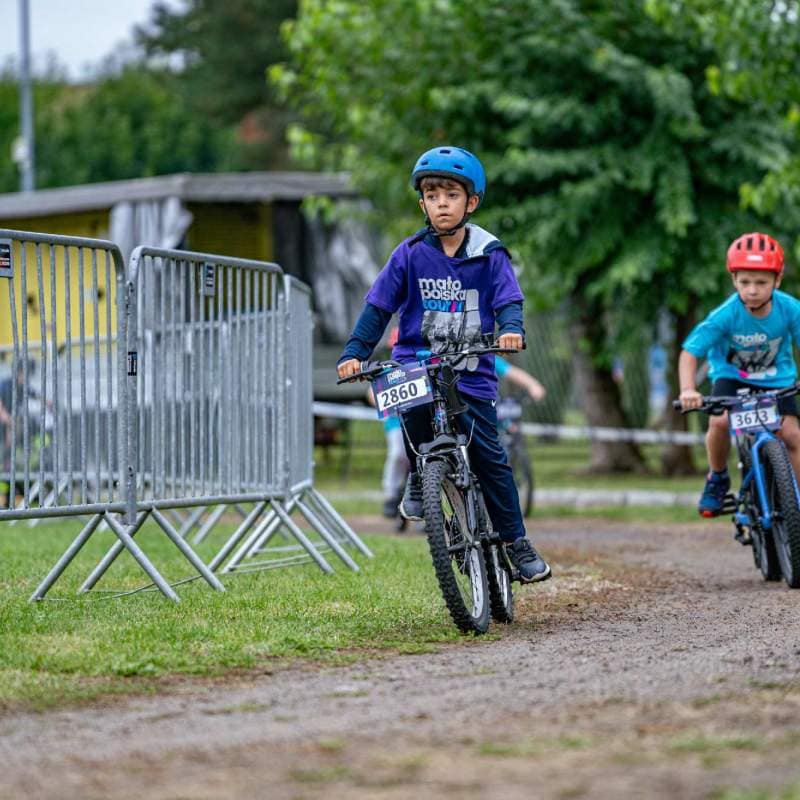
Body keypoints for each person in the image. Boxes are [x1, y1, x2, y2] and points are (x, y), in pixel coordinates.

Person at [337, 145, 550, 582]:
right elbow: (378, 308)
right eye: (432, 196)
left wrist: (511, 329)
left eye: (451, 195)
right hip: (416, 362)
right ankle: (420, 475)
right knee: (411, 410)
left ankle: (517, 542)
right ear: (423, 204)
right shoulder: (410, 253)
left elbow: (509, 299)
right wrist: (355, 351)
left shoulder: (489, 252)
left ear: (471, 202)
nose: (441, 204)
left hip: (470, 372)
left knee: (491, 459)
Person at [678, 232, 800, 516]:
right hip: (731, 378)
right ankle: (717, 477)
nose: (753, 290)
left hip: (777, 381)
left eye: (761, 282)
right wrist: (687, 389)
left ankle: (796, 498)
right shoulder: (725, 314)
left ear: (777, 280)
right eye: (744, 282)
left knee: (791, 434)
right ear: (734, 280)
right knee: (719, 422)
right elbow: (689, 353)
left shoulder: (790, 309)